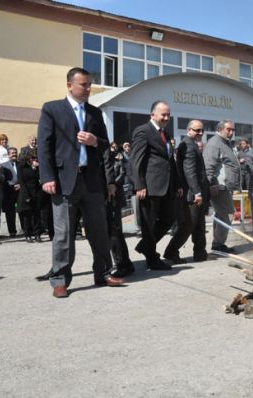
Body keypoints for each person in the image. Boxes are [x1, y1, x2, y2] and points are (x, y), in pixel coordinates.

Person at [37, 67, 124, 298]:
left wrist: (96, 141)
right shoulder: (52, 109)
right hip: (64, 181)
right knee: (64, 233)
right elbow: (44, 147)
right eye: (83, 85)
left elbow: (106, 145)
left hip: (92, 180)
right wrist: (47, 177)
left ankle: (103, 273)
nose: (87, 89)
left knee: (99, 231)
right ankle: (60, 280)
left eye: (89, 85)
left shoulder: (95, 113)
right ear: (69, 85)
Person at [131, 100, 180, 270]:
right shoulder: (143, 131)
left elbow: (169, 161)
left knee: (169, 219)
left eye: (168, 114)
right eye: (163, 114)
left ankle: (145, 246)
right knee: (149, 224)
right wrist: (139, 185)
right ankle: (152, 259)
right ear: (152, 114)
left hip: (166, 187)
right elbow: (135, 160)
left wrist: (177, 183)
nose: (166, 117)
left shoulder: (165, 133)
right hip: (149, 187)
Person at [164, 120, 210, 263]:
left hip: (196, 192)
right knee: (189, 224)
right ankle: (171, 251)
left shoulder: (191, 144)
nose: (200, 133)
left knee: (199, 224)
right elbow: (190, 172)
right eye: (197, 130)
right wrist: (197, 193)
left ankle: (200, 253)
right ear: (189, 130)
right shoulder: (189, 146)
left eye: (202, 130)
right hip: (192, 194)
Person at [203, 120, 242, 253]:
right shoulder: (214, 144)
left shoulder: (225, 143)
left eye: (233, 130)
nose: (231, 133)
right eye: (228, 130)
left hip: (225, 187)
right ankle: (218, 244)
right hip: (218, 187)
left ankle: (217, 244)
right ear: (220, 129)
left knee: (222, 215)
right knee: (228, 214)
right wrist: (211, 185)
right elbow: (208, 166)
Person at [103, 144, 134, 277]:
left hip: (113, 197)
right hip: (104, 197)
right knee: (112, 232)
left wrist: (113, 184)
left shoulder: (115, 160)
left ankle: (123, 264)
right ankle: (123, 263)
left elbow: (121, 174)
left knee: (114, 232)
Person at [17, 149, 43, 243]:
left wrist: (37, 168)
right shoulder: (21, 166)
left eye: (34, 157)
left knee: (36, 215)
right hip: (26, 193)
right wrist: (26, 196)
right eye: (32, 156)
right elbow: (22, 182)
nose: (34, 158)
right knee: (27, 216)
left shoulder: (36, 166)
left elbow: (39, 179)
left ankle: (37, 234)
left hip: (36, 193)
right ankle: (28, 234)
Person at [1, 147, 20, 238]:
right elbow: (3, 180)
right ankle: (12, 231)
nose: (14, 154)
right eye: (12, 153)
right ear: (8, 155)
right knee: (10, 213)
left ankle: (26, 229)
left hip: (21, 190)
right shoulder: (3, 165)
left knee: (23, 210)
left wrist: (20, 185)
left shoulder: (21, 164)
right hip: (9, 191)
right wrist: (12, 185)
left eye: (15, 153)